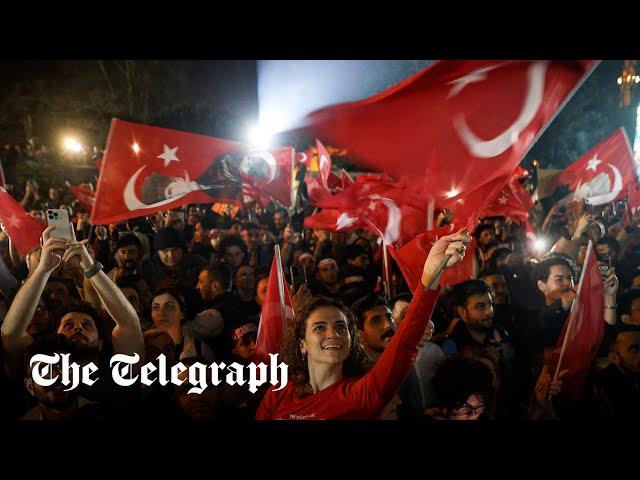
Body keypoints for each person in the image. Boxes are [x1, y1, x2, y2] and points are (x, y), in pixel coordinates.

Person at [256, 231, 470, 420]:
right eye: (320, 327)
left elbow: (404, 344)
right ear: (302, 343)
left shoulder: (362, 395)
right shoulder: (279, 393)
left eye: (341, 327)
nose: (333, 334)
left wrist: (430, 276)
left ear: (352, 339)